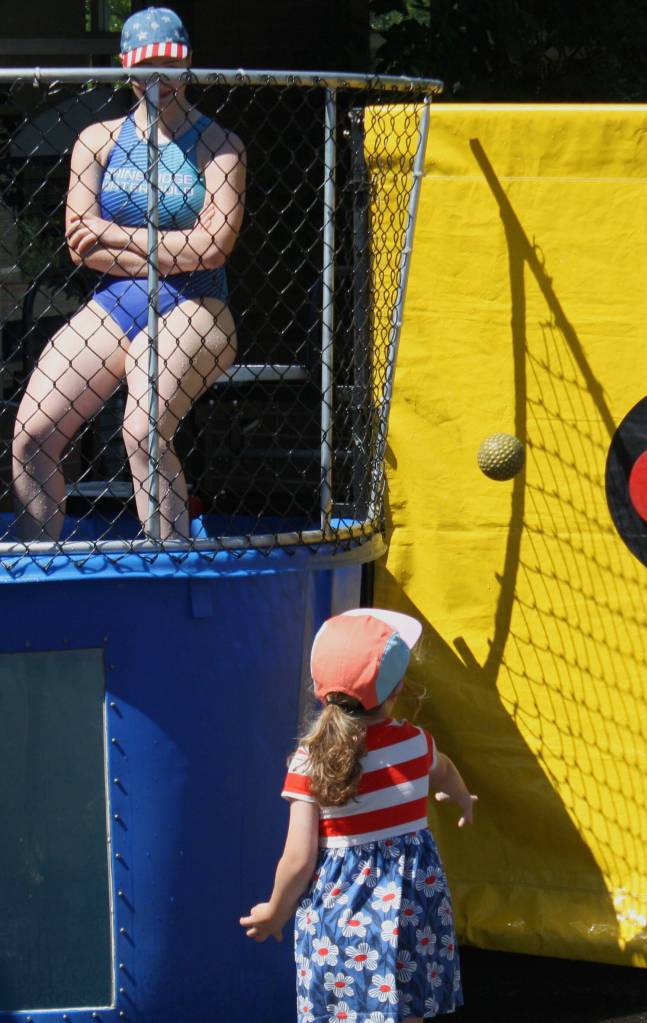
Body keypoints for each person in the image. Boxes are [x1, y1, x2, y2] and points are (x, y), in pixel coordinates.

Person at [12, 7, 246, 541]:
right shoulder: (97, 140)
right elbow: (80, 244)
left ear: (187, 67)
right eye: (146, 69)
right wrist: (173, 248)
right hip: (119, 300)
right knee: (32, 435)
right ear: (125, 68)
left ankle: (172, 562)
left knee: (142, 431)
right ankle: (37, 560)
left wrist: (116, 235)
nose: (158, 82)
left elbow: (214, 250)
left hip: (198, 303)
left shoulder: (220, 146)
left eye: (170, 68)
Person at [240, 608, 477, 1023]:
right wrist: (461, 797)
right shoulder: (416, 743)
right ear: (398, 688)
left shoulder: (309, 762)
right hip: (412, 908)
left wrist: (276, 911)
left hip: (342, 915)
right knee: (406, 1004)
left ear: (318, 688)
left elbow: (298, 859)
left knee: (343, 1011)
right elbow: (445, 770)